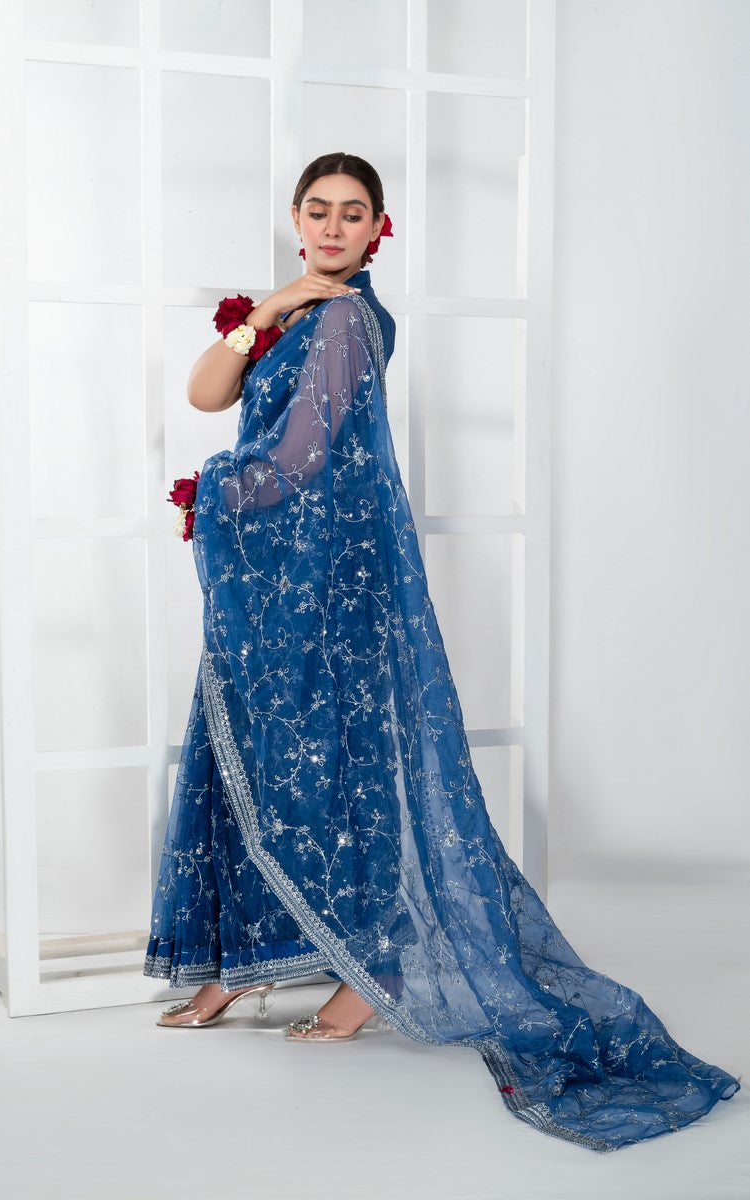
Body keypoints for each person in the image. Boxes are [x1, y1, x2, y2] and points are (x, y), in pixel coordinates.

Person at [144, 152, 740, 1151]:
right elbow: (208, 393)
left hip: (327, 580)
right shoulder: (299, 311)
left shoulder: (345, 322)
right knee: (248, 750)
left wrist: (213, 494)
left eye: (353, 214)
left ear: (379, 229)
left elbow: (299, 458)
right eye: (318, 211)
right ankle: (241, 963)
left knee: (332, 770)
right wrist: (271, 305)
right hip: (280, 578)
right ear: (296, 217)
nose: (333, 227)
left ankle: (367, 976)